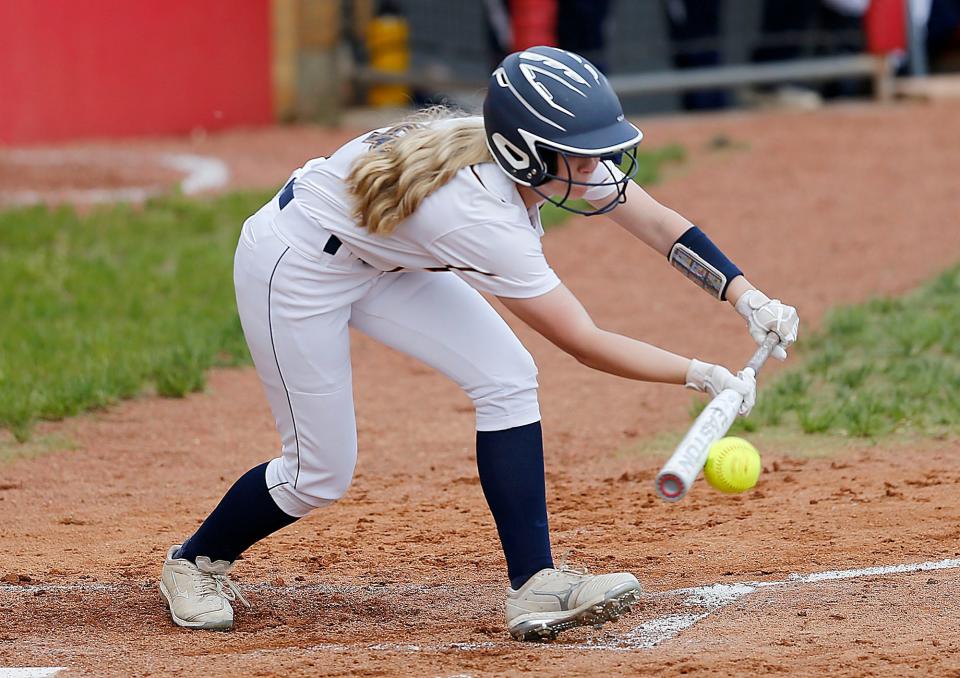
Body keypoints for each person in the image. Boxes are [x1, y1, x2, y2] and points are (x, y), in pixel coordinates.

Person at [159, 46, 799, 642]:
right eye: (578, 153)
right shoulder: (478, 216)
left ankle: (535, 585)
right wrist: (699, 373)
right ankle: (194, 562)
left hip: (381, 259)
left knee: (508, 378)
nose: (595, 166)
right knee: (320, 474)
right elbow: (582, 340)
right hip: (296, 265)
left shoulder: (529, 160)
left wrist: (748, 297)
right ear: (525, 155)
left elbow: (659, 223)